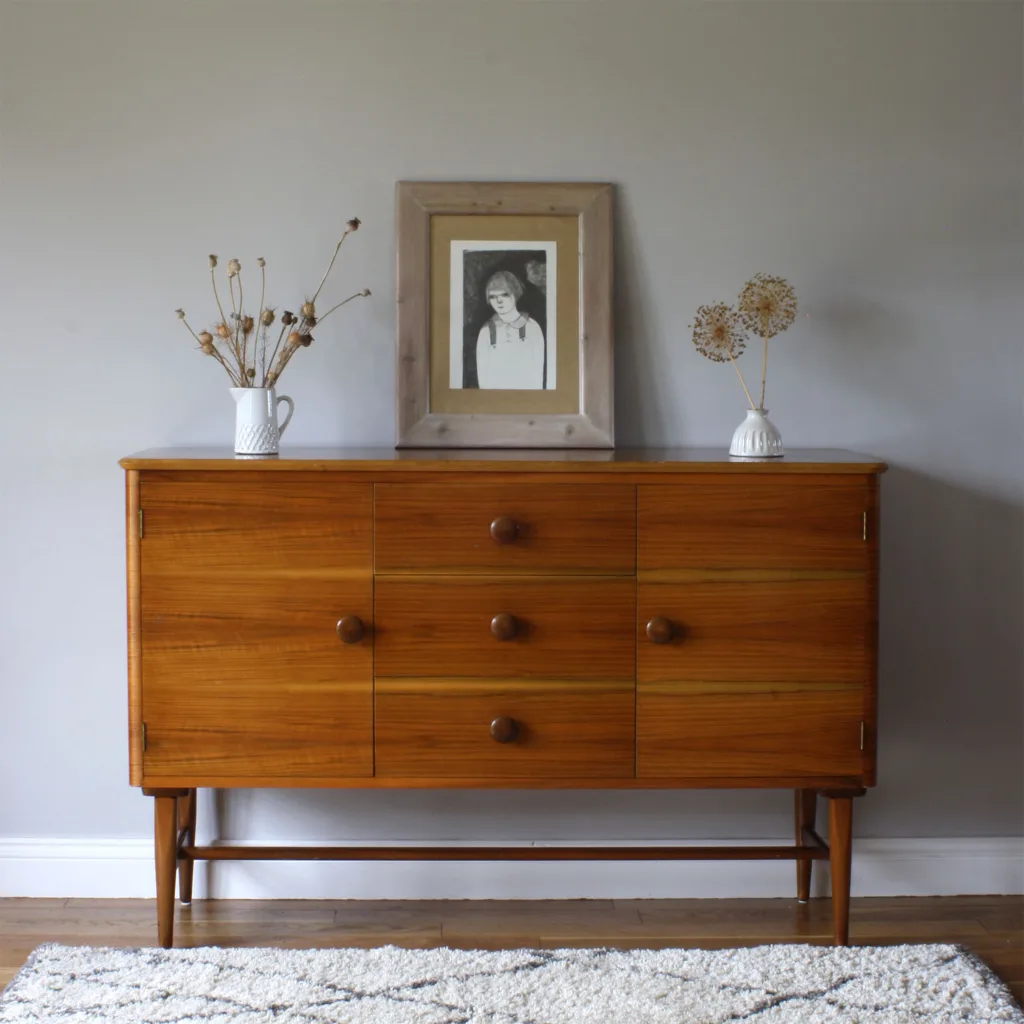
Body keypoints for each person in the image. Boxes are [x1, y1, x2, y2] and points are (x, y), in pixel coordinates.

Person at [475, 270, 552, 390]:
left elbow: (538, 373)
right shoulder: (486, 331)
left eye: (505, 295)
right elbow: (483, 378)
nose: (499, 301)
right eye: (493, 297)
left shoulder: (532, 327)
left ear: (515, 294)